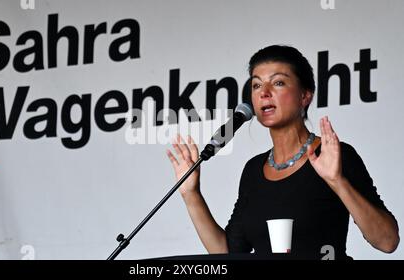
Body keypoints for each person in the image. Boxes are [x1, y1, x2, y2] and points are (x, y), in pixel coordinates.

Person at [166, 45, 399, 259]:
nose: (263, 93)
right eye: (256, 85)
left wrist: (337, 181)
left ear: (305, 96)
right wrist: (191, 195)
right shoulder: (253, 170)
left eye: (278, 83)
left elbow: (387, 241)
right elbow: (228, 254)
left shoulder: (335, 155)